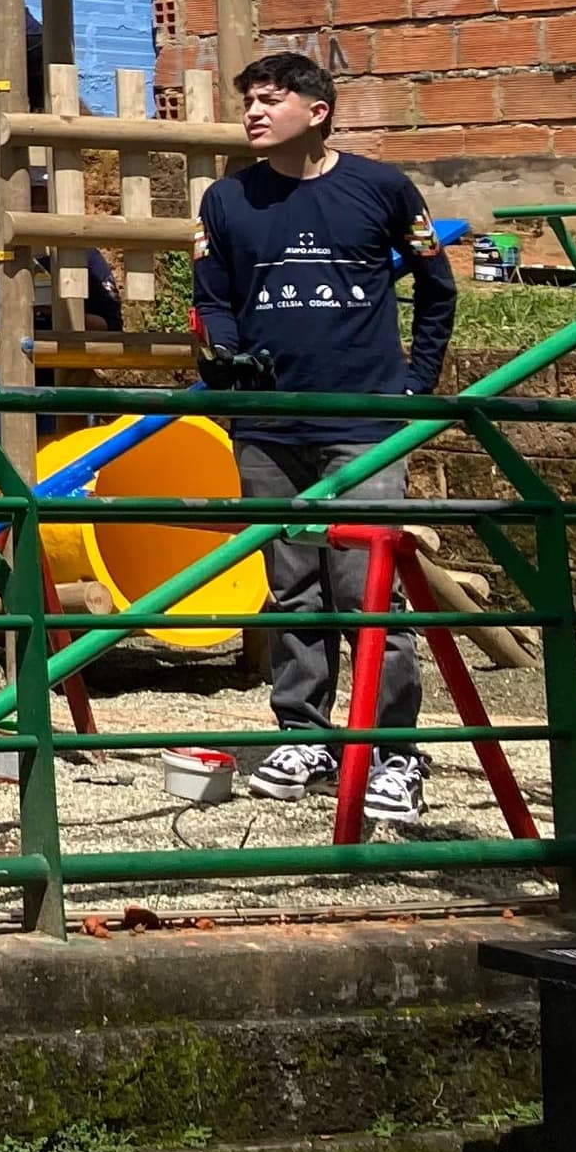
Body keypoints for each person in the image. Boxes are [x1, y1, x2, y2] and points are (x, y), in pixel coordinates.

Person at [190, 51, 456, 824]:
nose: (254, 114)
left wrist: (416, 386)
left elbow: (437, 290)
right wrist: (232, 367)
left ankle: (390, 750)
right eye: (248, 102)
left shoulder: (380, 188)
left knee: (368, 588)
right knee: (291, 584)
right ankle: (303, 732)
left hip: (364, 423)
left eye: (270, 100)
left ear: (319, 109)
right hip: (268, 427)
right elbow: (215, 300)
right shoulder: (227, 201)